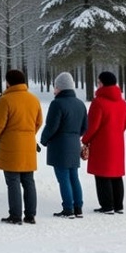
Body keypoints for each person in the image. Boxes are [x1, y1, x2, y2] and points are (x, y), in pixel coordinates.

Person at [0, 69, 43, 225]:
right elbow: (39, 121)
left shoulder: (5, 100)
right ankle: (30, 215)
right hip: (28, 144)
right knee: (28, 181)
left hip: (11, 145)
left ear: (8, 82)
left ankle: (15, 215)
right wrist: (29, 133)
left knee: (13, 181)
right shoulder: (33, 99)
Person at [40, 71, 88, 218]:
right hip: (74, 144)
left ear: (60, 87)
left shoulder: (57, 104)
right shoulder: (80, 104)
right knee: (74, 176)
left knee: (63, 178)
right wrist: (74, 136)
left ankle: (68, 208)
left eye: (55, 86)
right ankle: (78, 207)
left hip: (60, 146)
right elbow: (85, 127)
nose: (54, 89)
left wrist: (44, 139)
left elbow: (51, 126)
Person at [81, 71, 126, 214]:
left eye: (99, 81)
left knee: (102, 175)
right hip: (117, 142)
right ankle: (118, 205)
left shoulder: (99, 102)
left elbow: (92, 125)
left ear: (102, 83)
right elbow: (125, 123)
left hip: (102, 143)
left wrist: (85, 139)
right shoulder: (122, 102)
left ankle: (107, 205)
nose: (97, 84)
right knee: (116, 174)